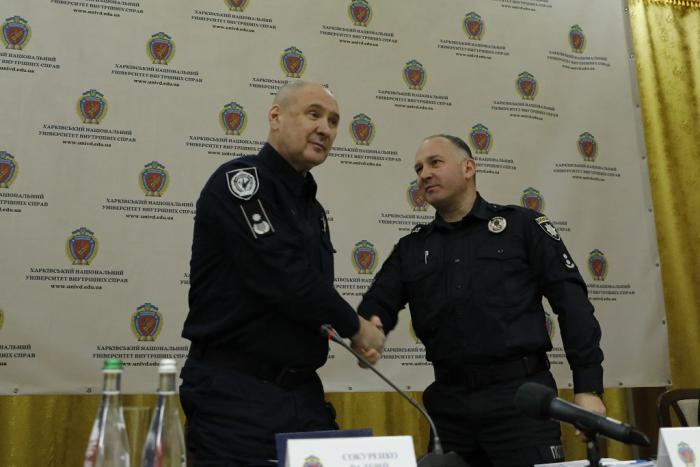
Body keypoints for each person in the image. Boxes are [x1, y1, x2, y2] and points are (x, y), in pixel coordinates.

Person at [357, 134, 606, 467]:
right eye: (418, 169)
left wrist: (588, 388)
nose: (424, 174)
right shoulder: (412, 248)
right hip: (450, 407)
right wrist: (369, 329)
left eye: (435, 163)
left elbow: (573, 305)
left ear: (468, 168)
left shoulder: (523, 226)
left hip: (520, 401)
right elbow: (378, 303)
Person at [180, 81, 385, 466]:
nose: (325, 129)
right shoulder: (241, 183)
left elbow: (311, 299)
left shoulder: (314, 211)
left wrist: (351, 331)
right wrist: (357, 328)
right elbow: (285, 278)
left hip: (302, 394)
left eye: (333, 121)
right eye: (313, 114)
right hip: (235, 397)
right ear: (275, 117)